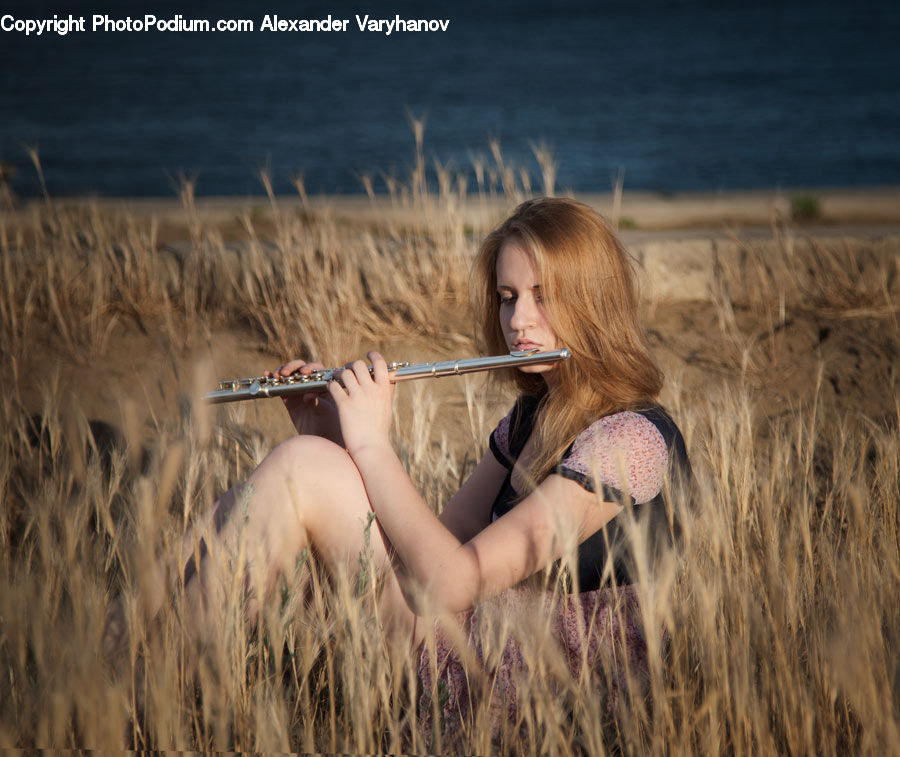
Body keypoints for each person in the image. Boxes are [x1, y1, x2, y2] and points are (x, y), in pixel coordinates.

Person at [104, 197, 690, 741]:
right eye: (509, 297)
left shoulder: (629, 439)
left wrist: (370, 447)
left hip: (543, 699)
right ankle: (99, 671)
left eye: (543, 295)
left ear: (596, 300)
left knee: (304, 471)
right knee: (277, 482)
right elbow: (434, 547)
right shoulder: (530, 417)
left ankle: (134, 714)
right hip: (482, 642)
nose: (518, 321)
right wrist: (334, 436)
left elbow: (455, 580)